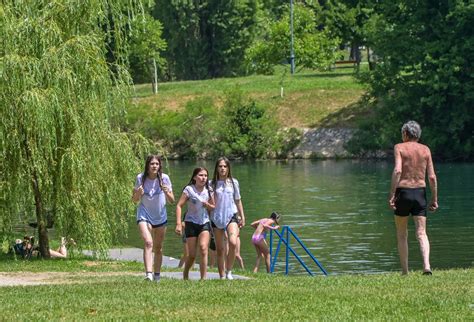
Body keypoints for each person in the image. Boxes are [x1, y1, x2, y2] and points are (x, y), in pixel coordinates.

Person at [388, 121, 438, 275]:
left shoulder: (399, 147)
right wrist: (434, 198)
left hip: (403, 192)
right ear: (418, 134)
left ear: (405, 134)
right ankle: (426, 266)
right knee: (421, 232)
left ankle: (405, 271)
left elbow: (397, 171)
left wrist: (391, 195)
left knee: (402, 234)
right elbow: (432, 177)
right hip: (420, 193)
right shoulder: (425, 150)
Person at [132, 155, 175, 282]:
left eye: (157, 164)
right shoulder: (141, 178)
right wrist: (138, 194)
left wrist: (167, 191)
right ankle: (148, 274)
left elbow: (172, 200)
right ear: (147, 166)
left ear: (159, 166)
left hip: (160, 216)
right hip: (144, 214)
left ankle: (157, 275)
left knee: (158, 248)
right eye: (152, 164)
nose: (154, 166)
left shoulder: (164, 178)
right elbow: (134, 200)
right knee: (148, 242)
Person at [175, 167, 215, 280]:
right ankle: (185, 273)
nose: (203, 178)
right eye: (201, 175)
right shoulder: (189, 190)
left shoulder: (209, 190)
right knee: (191, 255)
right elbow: (179, 206)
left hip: (204, 222)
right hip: (190, 222)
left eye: (205, 176)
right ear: (194, 177)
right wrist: (178, 223)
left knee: (203, 248)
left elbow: (213, 206)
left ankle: (203, 279)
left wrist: (208, 205)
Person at [210, 157, 246, 280]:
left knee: (233, 242)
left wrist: (242, 216)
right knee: (220, 249)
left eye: (225, 166)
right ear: (217, 168)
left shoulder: (234, 182)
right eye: (220, 166)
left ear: (228, 168)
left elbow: (238, 200)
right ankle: (221, 275)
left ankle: (229, 271)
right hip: (217, 217)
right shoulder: (211, 184)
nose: (222, 169)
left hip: (232, 215)